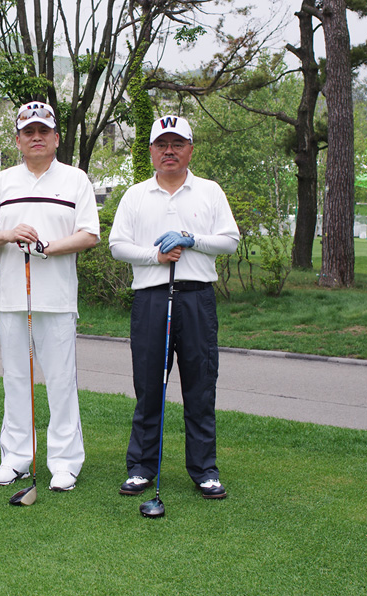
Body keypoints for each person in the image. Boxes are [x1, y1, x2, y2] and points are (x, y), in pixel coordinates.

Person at [109, 114, 239, 500]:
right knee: (149, 387)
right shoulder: (136, 195)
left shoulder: (209, 191)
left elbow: (230, 240)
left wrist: (191, 238)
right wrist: (156, 256)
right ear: (151, 151)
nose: (170, 151)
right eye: (162, 144)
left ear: (190, 150)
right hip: (151, 298)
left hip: (197, 299)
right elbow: (117, 245)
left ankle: (204, 470)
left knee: (201, 386)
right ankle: (141, 467)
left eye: (177, 144)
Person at [0, 101, 100, 492]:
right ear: (18, 140)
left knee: (61, 381)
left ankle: (64, 463)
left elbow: (89, 234)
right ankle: (15, 459)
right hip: (12, 298)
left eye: (43, 131)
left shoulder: (75, 179)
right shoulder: (4, 181)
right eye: (28, 132)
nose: (36, 137)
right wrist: (10, 234)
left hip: (57, 299)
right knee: (16, 380)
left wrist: (48, 247)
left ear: (56, 138)